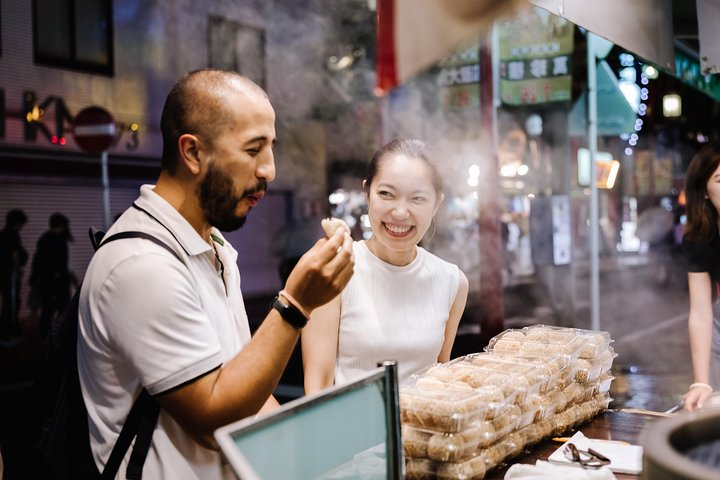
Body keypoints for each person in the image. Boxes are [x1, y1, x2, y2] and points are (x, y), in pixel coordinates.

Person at [77, 69, 354, 478]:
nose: (269, 171)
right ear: (192, 153)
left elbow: (244, 386)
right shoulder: (141, 265)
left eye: (271, 148)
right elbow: (214, 420)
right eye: (253, 149)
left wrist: (312, 454)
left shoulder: (214, 247)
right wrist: (295, 305)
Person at [301, 138, 469, 393]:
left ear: (436, 204)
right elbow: (317, 388)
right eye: (386, 194)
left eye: (417, 198)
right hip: (354, 431)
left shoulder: (452, 281)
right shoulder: (334, 269)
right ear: (367, 193)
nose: (400, 212)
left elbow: (440, 378)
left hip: (424, 431)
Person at [682, 141, 720, 411]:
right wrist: (701, 382)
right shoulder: (700, 239)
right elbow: (701, 312)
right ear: (704, 191)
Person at [29, 212, 77, 339]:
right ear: (62, 225)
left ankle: (47, 336)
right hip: (56, 282)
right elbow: (61, 264)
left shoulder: (45, 239)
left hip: (49, 282)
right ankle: (58, 337)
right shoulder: (57, 240)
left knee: (49, 311)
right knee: (61, 310)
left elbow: (39, 262)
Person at [0, 209, 28, 341]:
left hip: (4, 275)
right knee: (11, 305)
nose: (22, 227)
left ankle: (8, 334)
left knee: (9, 304)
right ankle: (7, 336)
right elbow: (15, 255)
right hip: (10, 276)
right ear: (17, 222)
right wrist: (17, 271)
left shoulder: (3, 234)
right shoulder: (12, 235)